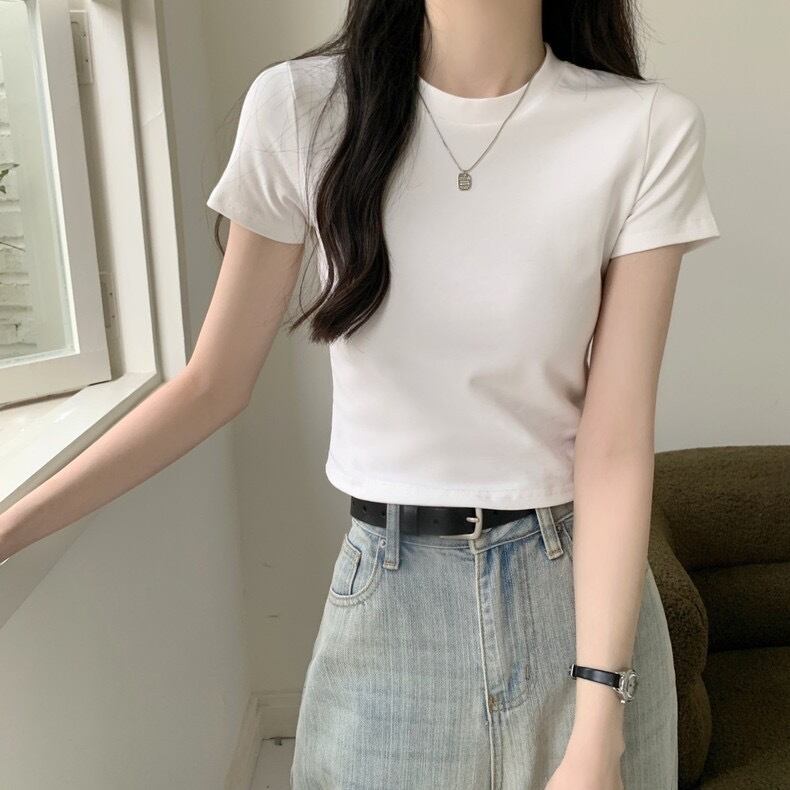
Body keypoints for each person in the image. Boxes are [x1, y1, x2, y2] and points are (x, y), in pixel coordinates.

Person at [0, 1, 721, 789]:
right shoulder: (303, 109)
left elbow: (615, 444)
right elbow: (211, 385)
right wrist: (15, 526)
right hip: (392, 604)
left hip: (580, 612)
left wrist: (598, 719)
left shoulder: (643, 128)